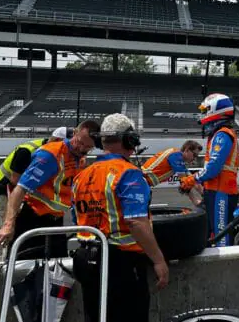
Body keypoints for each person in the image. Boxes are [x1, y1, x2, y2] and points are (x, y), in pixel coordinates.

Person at [71, 113, 168, 322]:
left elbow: (76, 217)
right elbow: (136, 222)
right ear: (129, 140)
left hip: (86, 260)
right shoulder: (129, 173)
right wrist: (158, 260)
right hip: (121, 263)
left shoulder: (82, 176)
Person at [0, 121, 100, 259]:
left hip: (55, 221)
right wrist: (8, 225)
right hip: (32, 219)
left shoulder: (79, 159)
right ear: (75, 133)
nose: (81, 148)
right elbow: (20, 188)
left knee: (58, 269)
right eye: (79, 142)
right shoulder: (50, 156)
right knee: (25, 269)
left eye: (88, 147)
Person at [0, 127, 67, 228]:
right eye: (65, 145)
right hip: (6, 188)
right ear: (56, 140)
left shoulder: (54, 153)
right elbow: (15, 180)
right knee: (8, 224)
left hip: (22, 189)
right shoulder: (27, 151)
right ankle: (7, 242)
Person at [194, 93, 239, 246]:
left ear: (214, 110)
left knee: (221, 237)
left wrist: (193, 178)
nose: (202, 115)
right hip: (216, 191)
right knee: (213, 233)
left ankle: (226, 268)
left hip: (221, 193)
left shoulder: (222, 135)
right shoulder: (218, 134)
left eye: (204, 110)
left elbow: (214, 167)